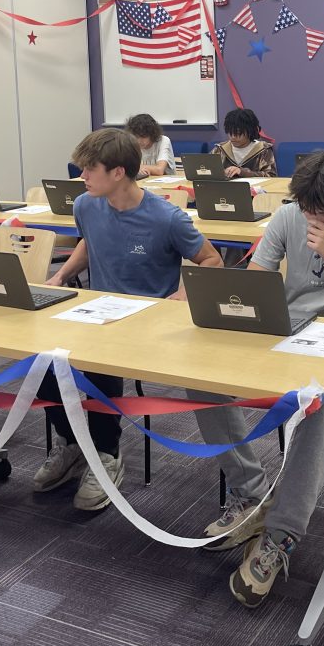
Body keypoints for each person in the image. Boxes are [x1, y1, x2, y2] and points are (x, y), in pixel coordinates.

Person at [188, 150, 324, 609]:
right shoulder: (289, 216)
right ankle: (251, 496)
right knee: (199, 380)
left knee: (315, 404)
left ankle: (282, 535)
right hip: (286, 335)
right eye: (309, 211)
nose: (316, 219)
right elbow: (256, 280)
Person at [41, 129, 223, 510]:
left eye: (90, 169)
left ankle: (107, 456)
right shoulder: (86, 205)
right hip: (97, 313)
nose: (82, 176)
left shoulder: (166, 218)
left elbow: (211, 260)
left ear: (119, 172)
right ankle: (74, 446)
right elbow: (89, 244)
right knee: (40, 362)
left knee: (99, 367)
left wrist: (181, 297)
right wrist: (59, 276)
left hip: (148, 324)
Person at [211, 108, 277, 178]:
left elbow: (271, 176)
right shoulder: (220, 149)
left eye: (238, 133)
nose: (233, 137)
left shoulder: (263, 149)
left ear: (251, 131)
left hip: (252, 188)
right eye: (230, 132)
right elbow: (206, 171)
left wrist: (243, 173)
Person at [125, 113, 175, 179]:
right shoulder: (132, 142)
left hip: (167, 183)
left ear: (152, 134)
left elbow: (159, 170)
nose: (139, 141)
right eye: (136, 137)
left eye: (143, 136)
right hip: (144, 181)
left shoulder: (163, 140)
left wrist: (138, 167)